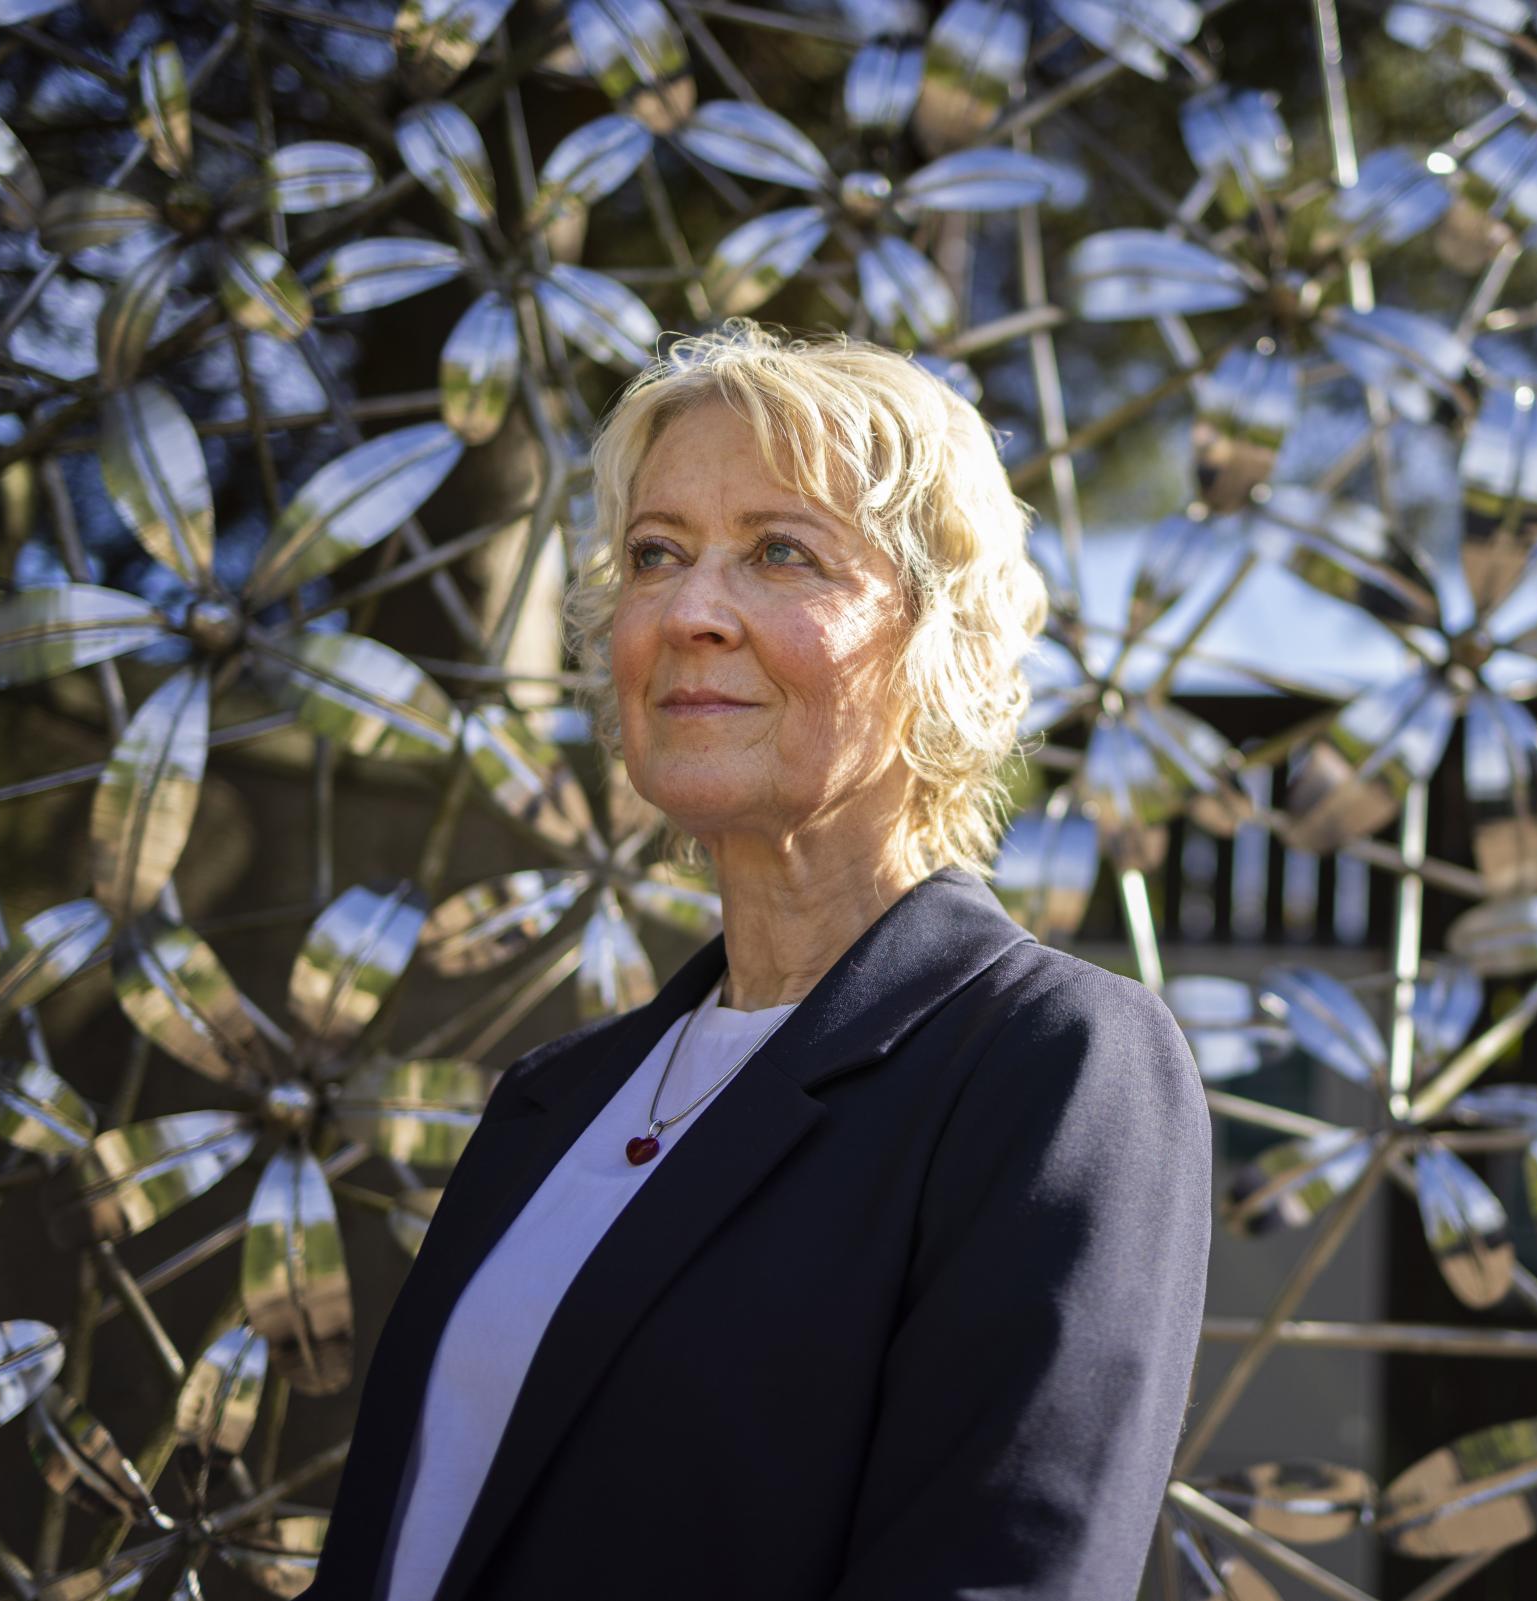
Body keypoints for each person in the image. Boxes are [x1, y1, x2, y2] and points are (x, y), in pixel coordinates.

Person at [304, 320, 1214, 1601]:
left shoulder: (1049, 1065)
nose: (690, 612)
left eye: (781, 551)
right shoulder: (551, 1098)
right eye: (654, 555)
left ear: (935, 637)